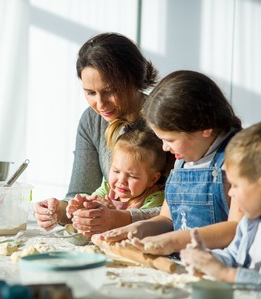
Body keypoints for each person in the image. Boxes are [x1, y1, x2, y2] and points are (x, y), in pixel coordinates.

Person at [92, 70, 244, 255]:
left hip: (220, 267)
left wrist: (172, 241)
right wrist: (135, 229)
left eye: (170, 140)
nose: (165, 148)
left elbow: (236, 227)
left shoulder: (238, 158)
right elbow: (167, 219)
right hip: (185, 262)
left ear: (204, 128)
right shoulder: (183, 160)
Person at [33, 32, 161, 233]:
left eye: (110, 90)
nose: (100, 105)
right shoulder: (92, 120)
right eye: (90, 93)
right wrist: (60, 210)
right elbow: (81, 192)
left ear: (135, 79)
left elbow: (179, 211)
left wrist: (120, 218)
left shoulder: (164, 119)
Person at [180, 122, 261, 284]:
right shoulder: (249, 222)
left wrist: (225, 274)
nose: (231, 192)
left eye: (236, 185)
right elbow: (232, 257)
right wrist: (207, 258)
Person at [66, 129, 168, 234]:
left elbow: (143, 226)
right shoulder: (107, 187)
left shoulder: (155, 198)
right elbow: (93, 201)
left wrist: (113, 214)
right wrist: (82, 205)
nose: (121, 181)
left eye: (132, 176)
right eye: (116, 171)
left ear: (153, 179)